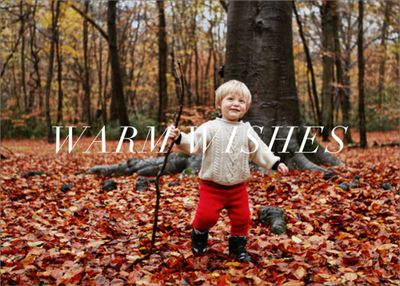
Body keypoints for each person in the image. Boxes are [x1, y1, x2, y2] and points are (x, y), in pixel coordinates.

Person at [168, 79, 289, 262]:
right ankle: (199, 236)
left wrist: (274, 162)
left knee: (242, 218)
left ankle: (237, 248)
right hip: (212, 186)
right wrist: (179, 138)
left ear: (246, 107)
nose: (235, 104)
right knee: (206, 217)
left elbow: (259, 150)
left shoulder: (247, 130)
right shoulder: (210, 127)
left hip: (238, 187)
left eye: (241, 101)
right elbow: (194, 143)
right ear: (219, 104)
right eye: (230, 99)